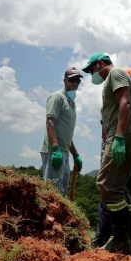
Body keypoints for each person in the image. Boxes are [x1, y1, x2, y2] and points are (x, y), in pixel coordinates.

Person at [82, 52, 131, 255]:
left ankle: (119, 239)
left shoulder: (115, 74)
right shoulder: (111, 78)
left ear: (100, 63)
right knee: (119, 189)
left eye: (92, 69)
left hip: (122, 135)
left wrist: (118, 138)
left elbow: (124, 102)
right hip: (125, 134)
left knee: (105, 184)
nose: (93, 74)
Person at [93, 67, 131, 259]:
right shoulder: (112, 101)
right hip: (115, 146)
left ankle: (123, 239)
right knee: (116, 194)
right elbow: (105, 128)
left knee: (110, 188)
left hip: (124, 144)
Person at [40, 67, 84, 196]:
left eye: (78, 81)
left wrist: (75, 154)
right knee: (53, 193)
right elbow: (50, 122)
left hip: (64, 152)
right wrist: (55, 148)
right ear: (65, 80)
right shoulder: (57, 97)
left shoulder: (71, 103)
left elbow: (66, 133)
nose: (75, 83)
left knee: (62, 192)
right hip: (53, 152)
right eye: (72, 80)